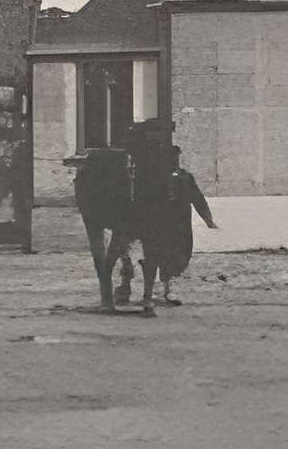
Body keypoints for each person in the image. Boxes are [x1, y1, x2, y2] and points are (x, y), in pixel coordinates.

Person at [130, 120, 217, 307]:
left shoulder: (184, 177)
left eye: (175, 159)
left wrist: (208, 219)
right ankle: (147, 295)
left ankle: (167, 290)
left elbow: (197, 198)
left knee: (173, 257)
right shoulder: (150, 176)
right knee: (152, 255)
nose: (173, 162)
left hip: (178, 226)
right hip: (157, 222)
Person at [70, 139, 146, 315]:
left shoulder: (87, 174)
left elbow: (82, 200)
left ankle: (109, 296)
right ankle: (116, 290)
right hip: (113, 213)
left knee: (102, 256)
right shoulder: (121, 173)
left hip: (98, 212)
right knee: (115, 253)